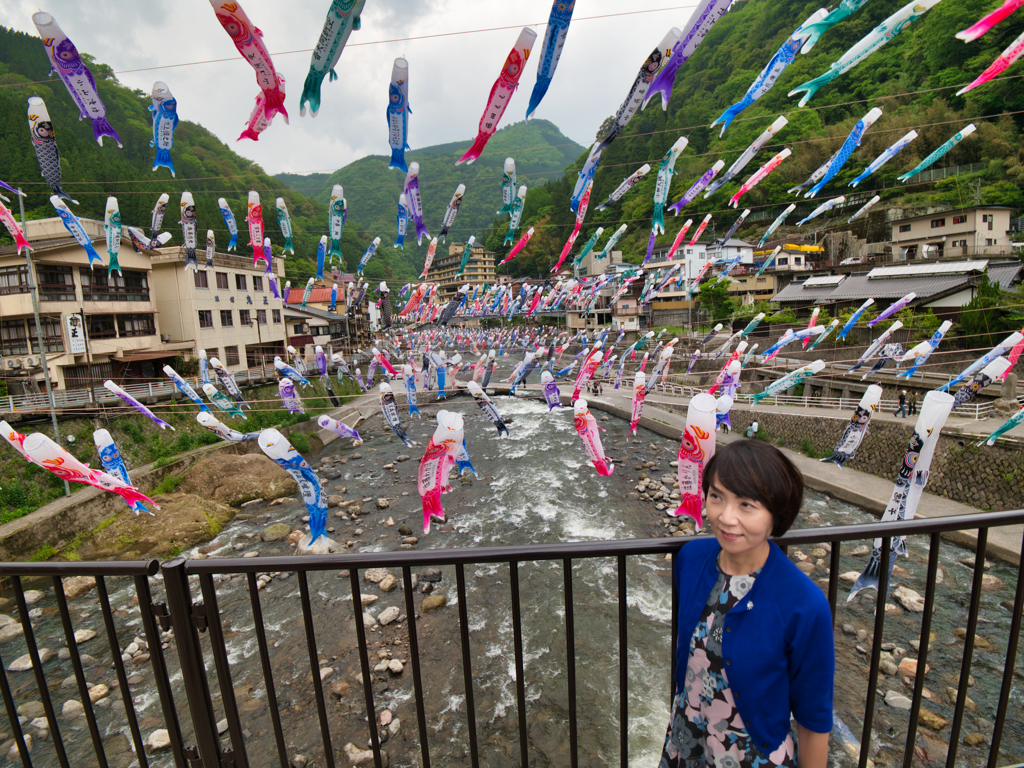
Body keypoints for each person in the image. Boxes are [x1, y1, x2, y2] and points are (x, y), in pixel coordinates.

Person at [660, 440, 834, 768]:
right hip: (686, 741)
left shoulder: (804, 604)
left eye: (746, 505)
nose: (726, 517)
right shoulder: (692, 560)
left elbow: (814, 718)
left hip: (751, 756)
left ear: (776, 514)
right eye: (716, 497)